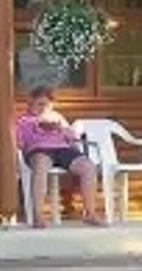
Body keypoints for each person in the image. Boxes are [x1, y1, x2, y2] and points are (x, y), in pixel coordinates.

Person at [14, 86, 104, 228]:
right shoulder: (24, 121)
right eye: (39, 104)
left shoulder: (58, 117)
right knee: (41, 165)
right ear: (30, 105)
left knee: (88, 166)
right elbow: (19, 144)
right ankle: (38, 216)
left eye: (47, 104)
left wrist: (61, 128)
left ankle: (90, 213)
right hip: (40, 150)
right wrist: (36, 129)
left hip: (63, 149)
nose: (43, 108)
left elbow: (73, 137)